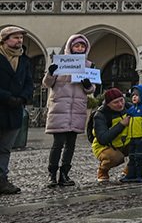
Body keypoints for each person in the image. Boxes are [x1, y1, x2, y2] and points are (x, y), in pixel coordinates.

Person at [42, 33, 95, 187]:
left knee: (71, 144)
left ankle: (64, 173)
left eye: (82, 46)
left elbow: (92, 88)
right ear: (70, 47)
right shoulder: (60, 63)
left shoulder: (89, 65)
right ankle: (52, 174)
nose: (79, 48)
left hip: (77, 110)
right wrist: (51, 73)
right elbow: (47, 83)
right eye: (76, 46)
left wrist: (87, 85)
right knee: (57, 143)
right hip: (60, 108)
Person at [0, 26, 34, 195]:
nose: (19, 40)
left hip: (14, 110)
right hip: (2, 104)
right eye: (15, 37)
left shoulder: (24, 60)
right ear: (4, 40)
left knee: (5, 148)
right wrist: (7, 97)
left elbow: (29, 83)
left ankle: (2, 179)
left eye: (21, 37)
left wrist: (22, 98)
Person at [90, 88, 133, 183]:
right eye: (116, 102)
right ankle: (103, 170)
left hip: (125, 142)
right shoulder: (100, 115)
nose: (120, 104)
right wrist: (121, 125)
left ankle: (130, 168)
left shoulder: (129, 107)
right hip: (105, 147)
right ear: (108, 104)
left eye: (121, 100)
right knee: (116, 157)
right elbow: (103, 139)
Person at [121, 84, 142, 183]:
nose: (134, 97)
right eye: (133, 95)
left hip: (141, 138)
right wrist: (124, 135)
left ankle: (141, 175)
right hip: (132, 138)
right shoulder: (132, 109)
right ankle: (131, 175)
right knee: (132, 157)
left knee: (140, 157)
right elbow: (127, 124)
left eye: (137, 95)